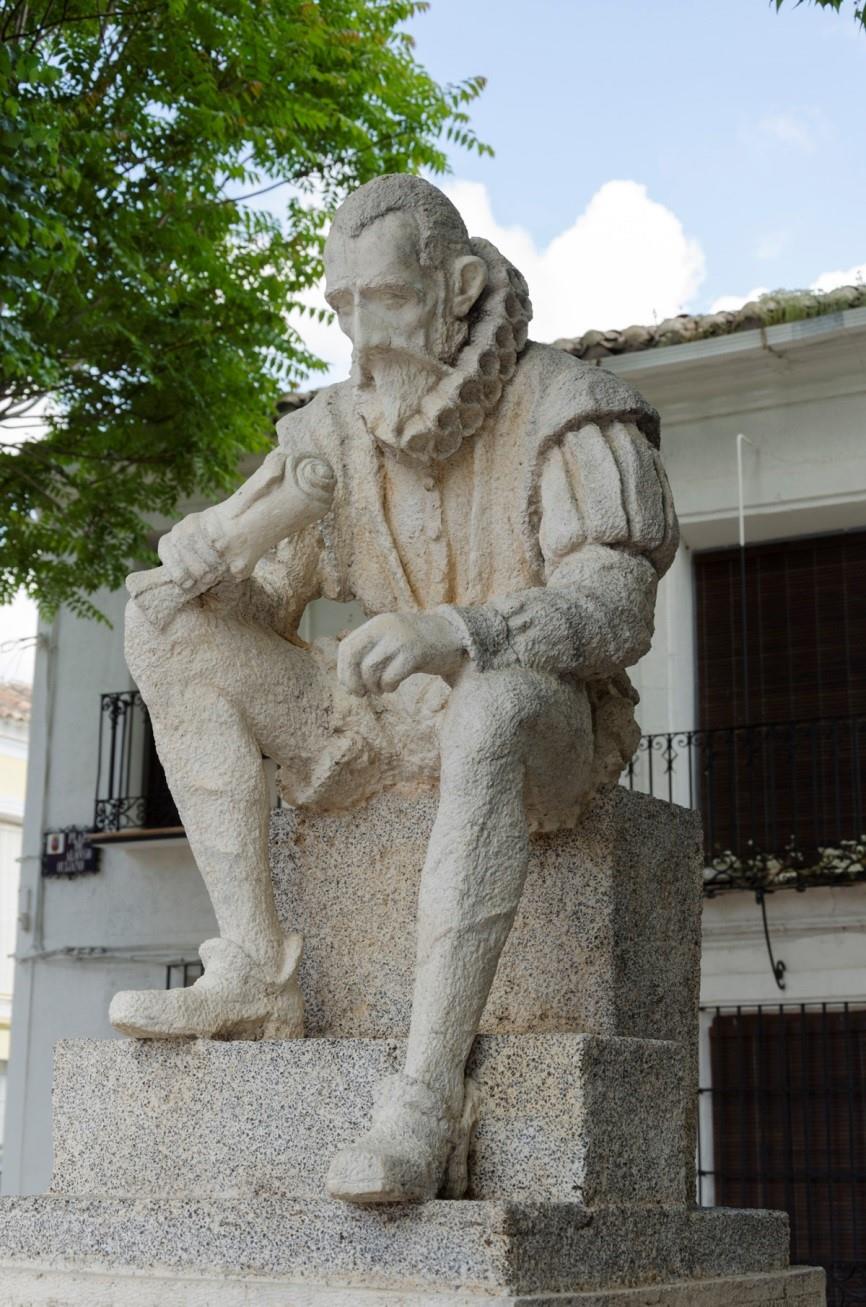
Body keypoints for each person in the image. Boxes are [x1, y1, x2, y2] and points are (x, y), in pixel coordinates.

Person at [111, 174, 678, 1204]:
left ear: (458, 286)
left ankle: (423, 1097)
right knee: (168, 626)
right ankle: (251, 964)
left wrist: (462, 631)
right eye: (341, 308)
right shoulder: (330, 432)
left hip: (538, 717)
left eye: (387, 300)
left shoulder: (571, 407)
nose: (362, 335)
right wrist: (213, 563)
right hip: (375, 722)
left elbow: (611, 607)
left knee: (492, 704)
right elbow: (271, 605)